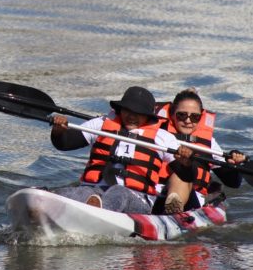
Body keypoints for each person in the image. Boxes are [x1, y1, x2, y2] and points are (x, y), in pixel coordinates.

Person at [50, 86, 189, 214]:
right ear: (120, 110)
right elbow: (65, 143)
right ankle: (43, 199)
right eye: (127, 111)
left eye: (138, 113)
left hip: (138, 198)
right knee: (79, 192)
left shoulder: (163, 138)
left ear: (148, 116)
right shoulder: (101, 124)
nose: (132, 116)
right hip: (94, 191)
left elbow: (187, 175)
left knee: (119, 192)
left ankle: (96, 212)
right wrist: (58, 131)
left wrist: (185, 162)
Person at [156, 88, 247, 214]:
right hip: (155, 194)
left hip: (192, 202)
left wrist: (234, 165)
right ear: (172, 114)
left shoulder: (209, 143)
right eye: (182, 115)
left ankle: (174, 210)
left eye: (194, 116)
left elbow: (233, 182)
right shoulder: (158, 134)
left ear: (201, 117)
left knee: (183, 174)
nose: (188, 121)